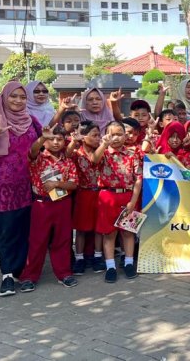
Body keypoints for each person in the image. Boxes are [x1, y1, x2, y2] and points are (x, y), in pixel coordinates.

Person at [0, 81, 43, 297]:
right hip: (4, 185)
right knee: (6, 230)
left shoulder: (31, 121)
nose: (18, 100)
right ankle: (6, 276)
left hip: (29, 183)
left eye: (22, 97)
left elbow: (44, 144)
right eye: (13, 96)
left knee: (26, 229)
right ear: (4, 97)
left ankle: (21, 270)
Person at [18, 126, 79, 292]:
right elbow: (31, 151)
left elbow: (73, 184)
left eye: (59, 139)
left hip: (63, 203)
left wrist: (57, 184)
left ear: (65, 141)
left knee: (63, 240)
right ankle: (29, 276)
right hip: (41, 204)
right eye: (52, 139)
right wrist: (41, 138)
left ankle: (64, 273)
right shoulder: (38, 158)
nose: (56, 142)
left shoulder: (68, 161)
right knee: (37, 241)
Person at [93, 121, 143, 283]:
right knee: (109, 233)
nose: (116, 138)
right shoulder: (103, 152)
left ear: (125, 135)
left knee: (128, 232)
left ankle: (128, 263)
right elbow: (94, 160)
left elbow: (138, 179)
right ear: (106, 135)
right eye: (112, 134)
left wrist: (133, 201)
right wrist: (104, 145)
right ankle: (110, 266)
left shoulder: (132, 153)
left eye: (119, 134)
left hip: (128, 196)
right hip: (108, 196)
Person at [66, 120, 106, 275]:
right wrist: (73, 142)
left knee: (98, 228)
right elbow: (67, 154)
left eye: (99, 135)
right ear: (83, 137)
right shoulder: (77, 153)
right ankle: (79, 258)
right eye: (94, 135)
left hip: (100, 193)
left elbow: (97, 159)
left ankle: (97, 256)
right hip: (83, 193)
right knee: (81, 229)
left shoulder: (103, 150)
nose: (98, 138)